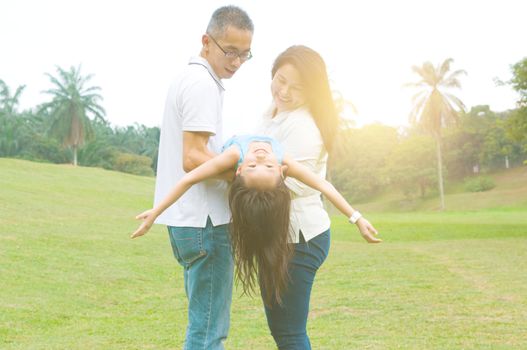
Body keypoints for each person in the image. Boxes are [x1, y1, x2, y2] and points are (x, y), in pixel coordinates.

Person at [131, 135, 380, 309]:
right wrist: (356, 218)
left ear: (239, 170)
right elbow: (322, 185)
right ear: (281, 171)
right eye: (263, 164)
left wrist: (156, 213)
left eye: (256, 164)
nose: (261, 156)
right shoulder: (281, 160)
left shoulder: (234, 156)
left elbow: (189, 179)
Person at [255, 45, 381, 349]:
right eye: (280, 79)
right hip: (277, 234)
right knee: (281, 330)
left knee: (290, 332)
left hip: (299, 238)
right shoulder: (272, 113)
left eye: (296, 88)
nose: (284, 91)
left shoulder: (304, 127)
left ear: (312, 92)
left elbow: (283, 184)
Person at [148, 6, 253, 350]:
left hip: (190, 220)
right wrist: (242, 174)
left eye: (245, 54)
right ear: (206, 42)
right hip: (205, 222)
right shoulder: (201, 84)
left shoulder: (192, 79)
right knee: (208, 332)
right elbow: (193, 157)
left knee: (204, 327)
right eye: (230, 51)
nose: (237, 62)